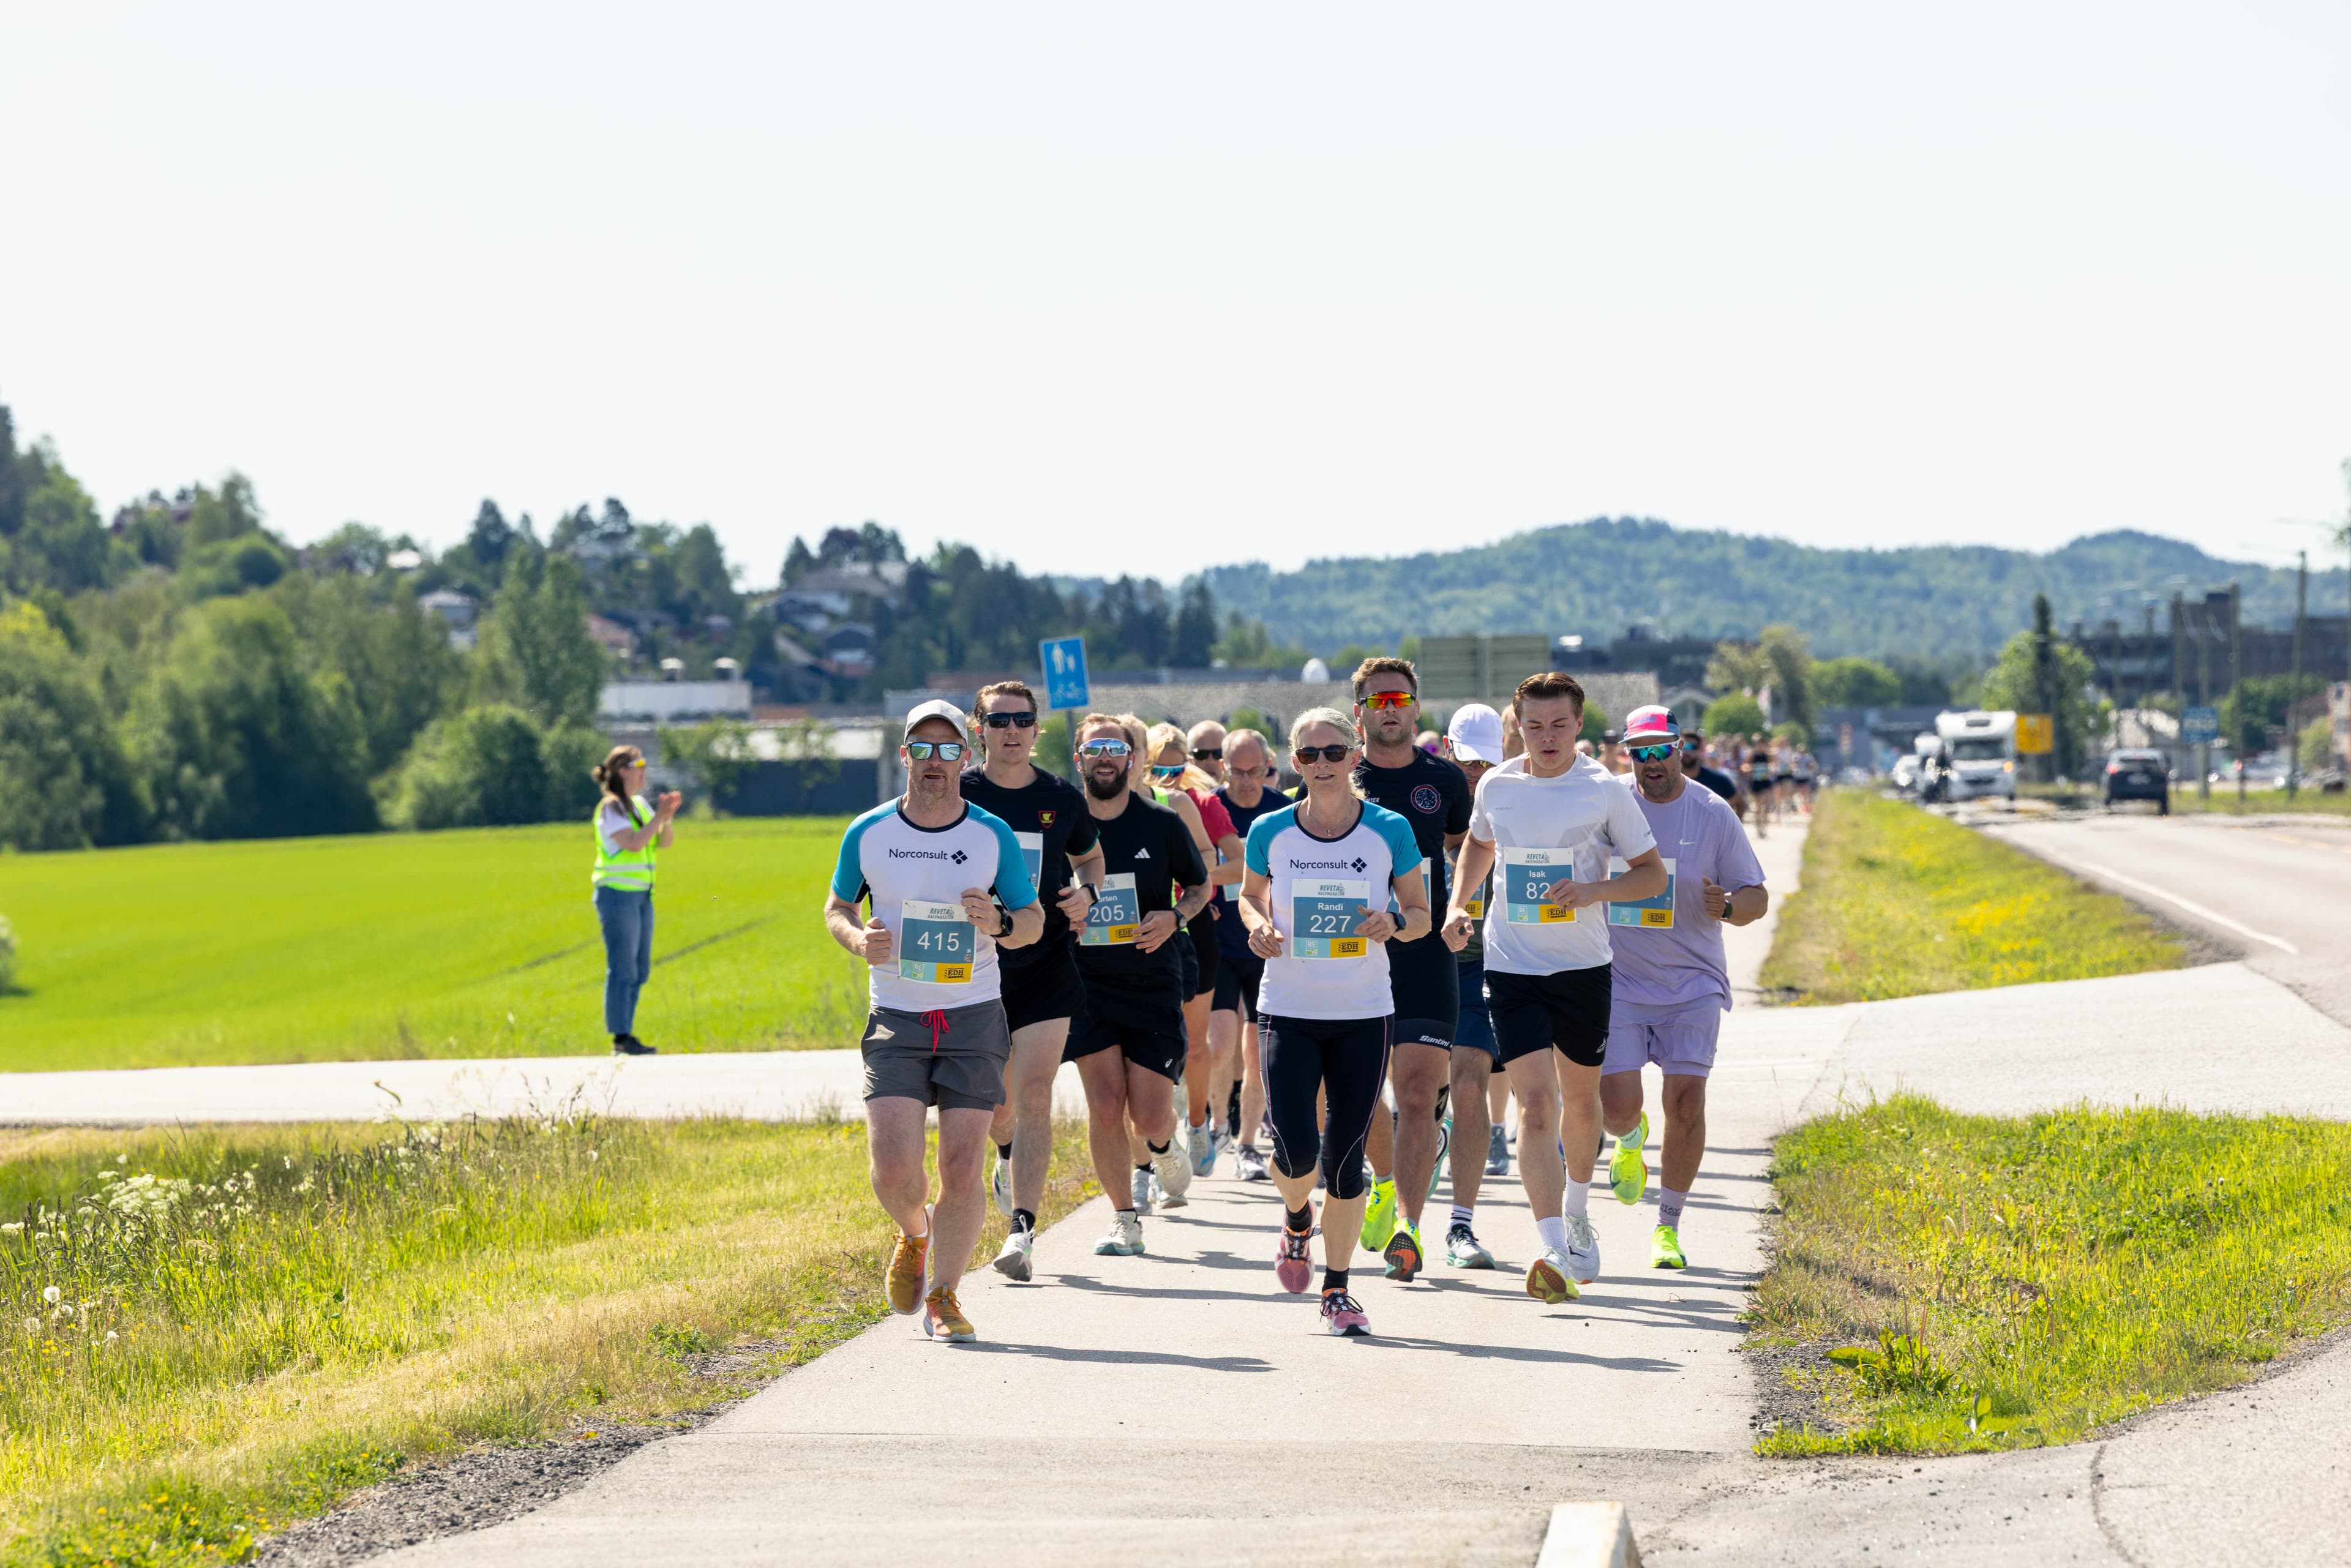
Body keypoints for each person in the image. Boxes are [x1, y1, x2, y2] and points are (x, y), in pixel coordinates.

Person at [1444, 673, 1668, 1305]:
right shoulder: (1497, 784)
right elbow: (1479, 847)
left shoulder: (1602, 790)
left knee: (1581, 1103)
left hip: (1582, 967)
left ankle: (1575, 1209)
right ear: (1517, 726)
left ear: (1579, 725)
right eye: (1535, 725)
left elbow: (1649, 876)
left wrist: (1595, 889)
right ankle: (1549, 1246)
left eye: (1559, 725)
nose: (1547, 737)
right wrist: (1458, 904)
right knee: (1534, 1106)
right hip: (1512, 966)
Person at [822, 701, 1043, 1343]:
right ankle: (915, 1234)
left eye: (949, 751)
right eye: (923, 749)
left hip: (972, 1013)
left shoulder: (991, 835)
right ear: (905, 756)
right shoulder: (867, 831)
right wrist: (856, 938)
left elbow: (1031, 923)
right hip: (896, 1013)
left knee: (961, 1160)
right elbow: (838, 903)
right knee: (893, 1168)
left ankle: (944, 1292)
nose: (936, 763)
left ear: (966, 759)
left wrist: (998, 922)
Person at [1237, 708, 1431, 1337]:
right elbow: (1248, 893)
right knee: (1294, 1149)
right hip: (1288, 1009)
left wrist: (1394, 923)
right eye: (1308, 754)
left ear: (1355, 756)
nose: (1321, 763)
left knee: (1345, 1156)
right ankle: (1297, 1219)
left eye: (1333, 751)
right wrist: (1257, 924)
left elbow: (1421, 912)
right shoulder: (1271, 829)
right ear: (1294, 763)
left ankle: (1339, 1288)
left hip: (1363, 1012)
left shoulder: (1389, 829)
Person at [1599, 707, 1770, 1269]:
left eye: (1660, 750)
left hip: (1693, 981)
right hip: (1620, 979)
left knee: (1687, 1103)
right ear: (1627, 753)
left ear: (1681, 748)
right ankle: (1630, 1138)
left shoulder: (1712, 811)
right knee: (1617, 1109)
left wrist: (1731, 905)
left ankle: (1667, 1227)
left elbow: (1757, 898)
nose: (1651, 762)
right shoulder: (1608, 802)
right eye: (1639, 752)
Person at [959, 681, 1106, 1283]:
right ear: (979, 729)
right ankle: (1004, 1150)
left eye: (1022, 719)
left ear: (1036, 729)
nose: (1012, 730)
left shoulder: (1061, 798)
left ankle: (1022, 1228)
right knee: (999, 1105)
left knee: (1038, 1091)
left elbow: (1091, 857)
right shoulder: (958, 792)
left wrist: (1088, 890)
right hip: (973, 968)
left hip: (1045, 960)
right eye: (999, 721)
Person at [1346, 657, 1473, 1282]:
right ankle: (1385, 1178)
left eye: (1400, 697)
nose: (1390, 707)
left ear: (1416, 707)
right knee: (1362, 1098)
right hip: (1353, 959)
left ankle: (1410, 1227)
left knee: (1419, 1093)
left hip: (1424, 955)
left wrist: (1460, 911)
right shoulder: (1337, 775)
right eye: (1377, 699)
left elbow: (1465, 854)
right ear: (1359, 712)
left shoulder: (1445, 781)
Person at [1069, 713, 1211, 1255]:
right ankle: (1124, 1217)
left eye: (1115, 747)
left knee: (1148, 1112)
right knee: (1105, 1105)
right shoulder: (1064, 825)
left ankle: (1161, 1143)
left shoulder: (1160, 821)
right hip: (1086, 982)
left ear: (1132, 758)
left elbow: (1199, 888)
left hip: (1152, 979)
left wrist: (1174, 917)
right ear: (1078, 758)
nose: (1104, 756)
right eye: (1093, 748)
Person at [1148, 723, 1246, 1183]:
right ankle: (1154, 1147)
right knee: (1148, 1046)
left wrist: (1191, 880)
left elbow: (1229, 861)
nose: (1169, 776)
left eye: (1177, 766)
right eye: (1159, 767)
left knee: (1199, 1042)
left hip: (1194, 927)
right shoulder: (1115, 807)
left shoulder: (1196, 802)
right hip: (1142, 933)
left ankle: (1198, 1122)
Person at [1435, 703, 1511, 1267]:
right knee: (1415, 1095)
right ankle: (1408, 1161)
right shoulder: (1420, 803)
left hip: (1484, 969)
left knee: (1469, 1087)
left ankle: (1460, 1225)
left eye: (1488, 763)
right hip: (1419, 967)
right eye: (1467, 762)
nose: (1476, 773)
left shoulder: (1511, 806)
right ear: (1445, 749)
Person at [1210, 727, 1284, 1182]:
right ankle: (1215, 1123)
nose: (1247, 781)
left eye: (1256, 771)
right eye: (1238, 772)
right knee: (1217, 1046)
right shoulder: (1209, 808)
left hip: (1265, 945)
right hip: (1219, 945)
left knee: (1256, 1053)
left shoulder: (1280, 809)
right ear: (1223, 769)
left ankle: (1246, 1144)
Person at [590, 746, 682, 1057]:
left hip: (642, 896)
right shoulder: (611, 809)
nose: (645, 769)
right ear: (621, 771)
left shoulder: (639, 805)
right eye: (638, 764)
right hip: (617, 896)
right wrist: (658, 817)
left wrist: (665, 819)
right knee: (623, 967)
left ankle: (625, 1035)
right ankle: (621, 1038)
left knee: (640, 969)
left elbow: (663, 842)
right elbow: (632, 843)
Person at [1679, 726, 1744, 811]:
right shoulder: (1670, 780)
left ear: (1700, 750)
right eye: (1683, 747)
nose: (1687, 751)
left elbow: (1740, 804)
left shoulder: (1717, 780)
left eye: (1692, 747)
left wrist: (1731, 824)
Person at [1187, 719, 1229, 784]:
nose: (1210, 761)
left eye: (1218, 753)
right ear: (1188, 759)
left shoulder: (1242, 792)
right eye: (1201, 754)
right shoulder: (1177, 793)